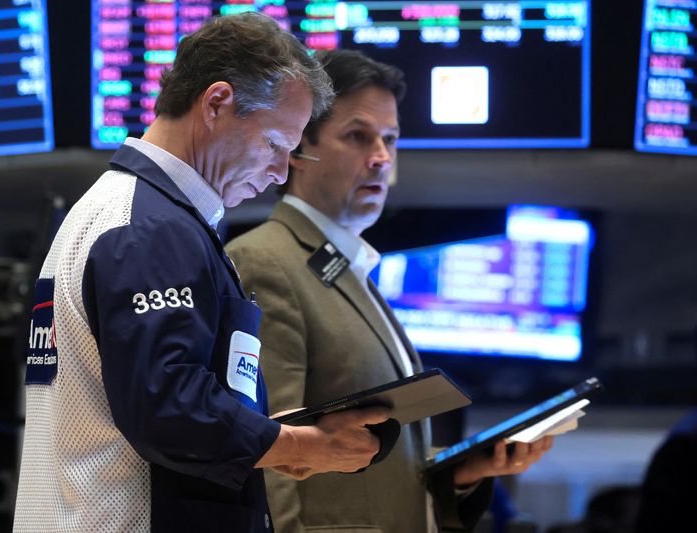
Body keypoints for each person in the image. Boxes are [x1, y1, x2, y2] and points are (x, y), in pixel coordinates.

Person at [13, 15, 392, 533]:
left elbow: (149, 400)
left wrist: (276, 444)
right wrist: (302, 445)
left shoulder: (124, 212)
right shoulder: (149, 229)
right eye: (277, 145)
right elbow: (168, 407)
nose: (281, 172)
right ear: (216, 104)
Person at [226, 49, 554, 533]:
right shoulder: (266, 261)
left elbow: (378, 469)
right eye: (358, 137)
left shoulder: (346, 269)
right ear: (297, 147)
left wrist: (464, 472)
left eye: (390, 140)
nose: (381, 158)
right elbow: (268, 452)